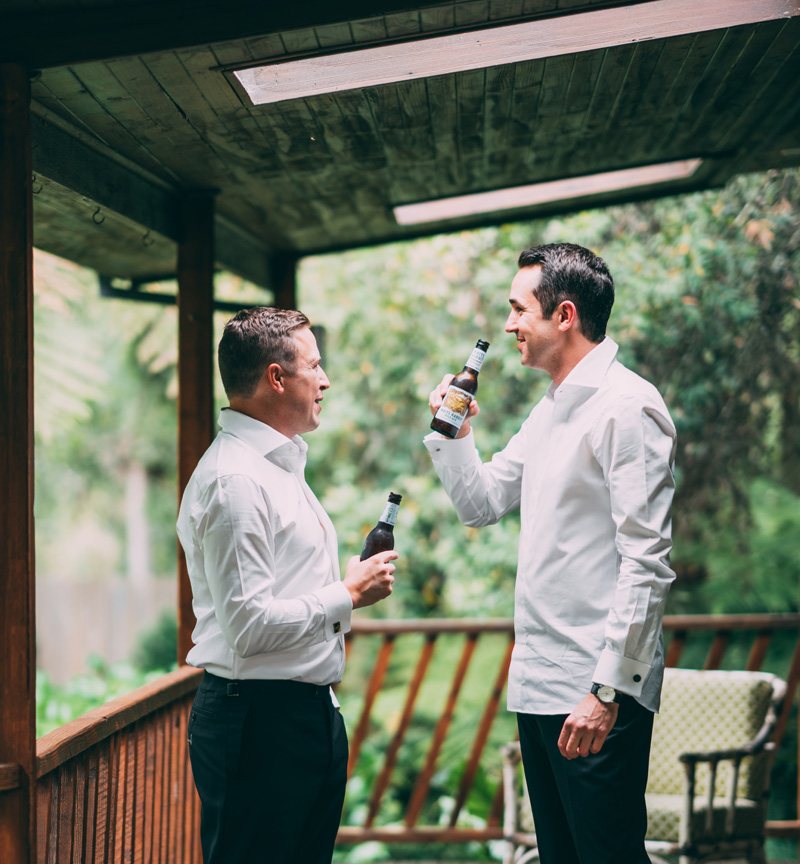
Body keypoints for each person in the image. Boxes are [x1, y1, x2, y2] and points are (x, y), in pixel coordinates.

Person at [425, 243, 676, 864]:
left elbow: (646, 562)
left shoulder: (627, 406)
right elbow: (481, 503)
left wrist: (608, 691)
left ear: (564, 315)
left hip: (594, 694)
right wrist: (456, 436)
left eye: (519, 310)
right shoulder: (553, 409)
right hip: (538, 684)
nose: (509, 325)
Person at [178, 306, 398, 864]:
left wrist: (343, 587)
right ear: (277, 377)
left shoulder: (277, 466)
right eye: (315, 366)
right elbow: (249, 626)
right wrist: (347, 594)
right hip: (257, 723)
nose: (325, 381)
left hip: (302, 717)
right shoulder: (236, 481)